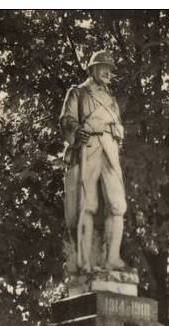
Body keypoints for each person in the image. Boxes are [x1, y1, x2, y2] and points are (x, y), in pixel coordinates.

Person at [60, 50, 127, 272]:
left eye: (110, 69)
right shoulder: (78, 92)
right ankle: (85, 263)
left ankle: (112, 260)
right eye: (103, 67)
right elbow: (67, 119)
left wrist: (118, 133)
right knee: (86, 205)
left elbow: (118, 125)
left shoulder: (112, 100)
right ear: (92, 69)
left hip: (110, 148)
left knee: (117, 205)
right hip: (89, 146)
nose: (108, 72)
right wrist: (77, 130)